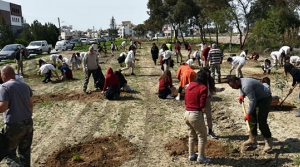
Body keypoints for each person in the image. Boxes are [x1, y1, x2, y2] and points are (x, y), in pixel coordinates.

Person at [227, 76, 273, 152]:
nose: (232, 88)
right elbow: (241, 88)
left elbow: (253, 101)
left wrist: (248, 114)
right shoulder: (241, 82)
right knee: (252, 119)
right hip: (257, 98)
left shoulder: (246, 85)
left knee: (262, 121)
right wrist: (242, 95)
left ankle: (268, 141)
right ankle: (252, 139)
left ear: (237, 81)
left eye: (233, 86)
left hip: (265, 98)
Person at [0, 65, 33, 167]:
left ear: (4, 75)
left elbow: (3, 107)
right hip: (28, 123)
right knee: (25, 152)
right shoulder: (25, 86)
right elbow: (31, 105)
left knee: (9, 154)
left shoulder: (4, 87)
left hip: (14, 125)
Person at [184, 70, 211, 164]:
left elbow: (186, 100)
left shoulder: (189, 85)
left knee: (191, 135)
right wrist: (204, 111)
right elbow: (202, 104)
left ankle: (191, 155)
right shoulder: (202, 87)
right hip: (195, 114)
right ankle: (201, 157)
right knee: (202, 136)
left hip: (187, 113)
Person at [200, 67, 225, 139]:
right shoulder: (198, 81)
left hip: (207, 100)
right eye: (205, 75)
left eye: (208, 74)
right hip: (199, 100)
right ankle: (201, 132)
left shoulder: (209, 80)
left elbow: (212, 88)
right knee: (200, 117)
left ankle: (210, 131)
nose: (207, 76)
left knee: (209, 116)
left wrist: (219, 89)